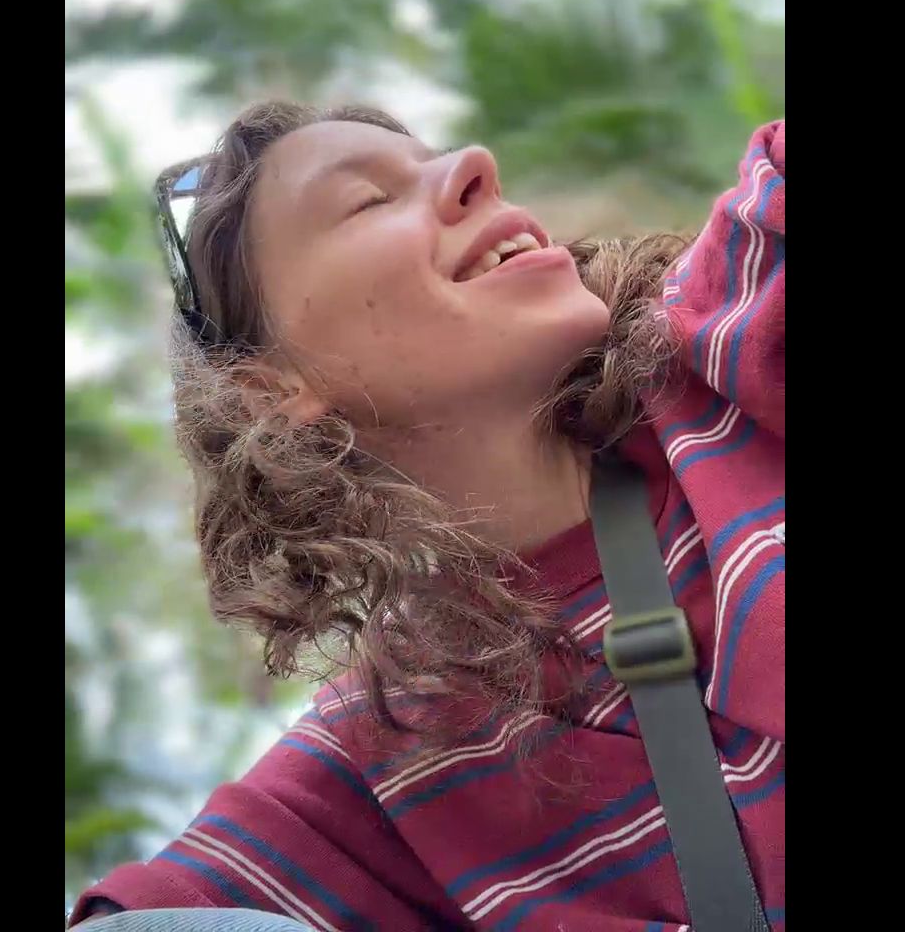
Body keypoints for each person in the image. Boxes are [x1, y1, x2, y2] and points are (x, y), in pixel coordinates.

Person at [71, 102, 785, 931]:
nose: (477, 164)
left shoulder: (735, 340)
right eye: (368, 200)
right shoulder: (381, 756)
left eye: (438, 157)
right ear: (274, 391)